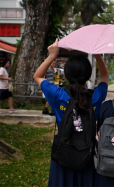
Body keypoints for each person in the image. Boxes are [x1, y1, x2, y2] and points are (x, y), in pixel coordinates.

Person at [33, 39, 109, 187]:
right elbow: (105, 77)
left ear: (67, 74)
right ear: (88, 76)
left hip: (63, 157)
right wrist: (98, 55)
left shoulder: (58, 95)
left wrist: (52, 55)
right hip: (87, 157)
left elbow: (38, 76)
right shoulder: (95, 96)